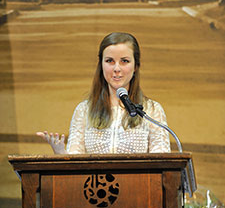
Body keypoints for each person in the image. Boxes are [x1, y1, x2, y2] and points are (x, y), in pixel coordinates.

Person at [36, 32, 171, 154]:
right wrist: (61, 156)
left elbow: (161, 162)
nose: (116, 68)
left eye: (124, 61)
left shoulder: (152, 111)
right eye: (109, 61)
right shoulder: (84, 110)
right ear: (101, 65)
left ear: (135, 66)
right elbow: (75, 163)